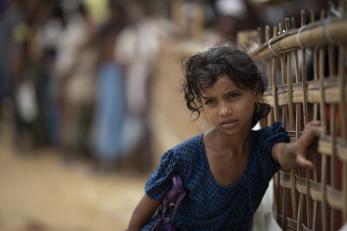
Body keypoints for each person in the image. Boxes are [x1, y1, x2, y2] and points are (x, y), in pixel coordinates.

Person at [127, 46, 321, 230]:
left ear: (255, 92)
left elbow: (285, 155)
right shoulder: (183, 157)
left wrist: (300, 146)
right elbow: (136, 222)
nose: (224, 111)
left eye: (233, 96)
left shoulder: (264, 146)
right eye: (211, 102)